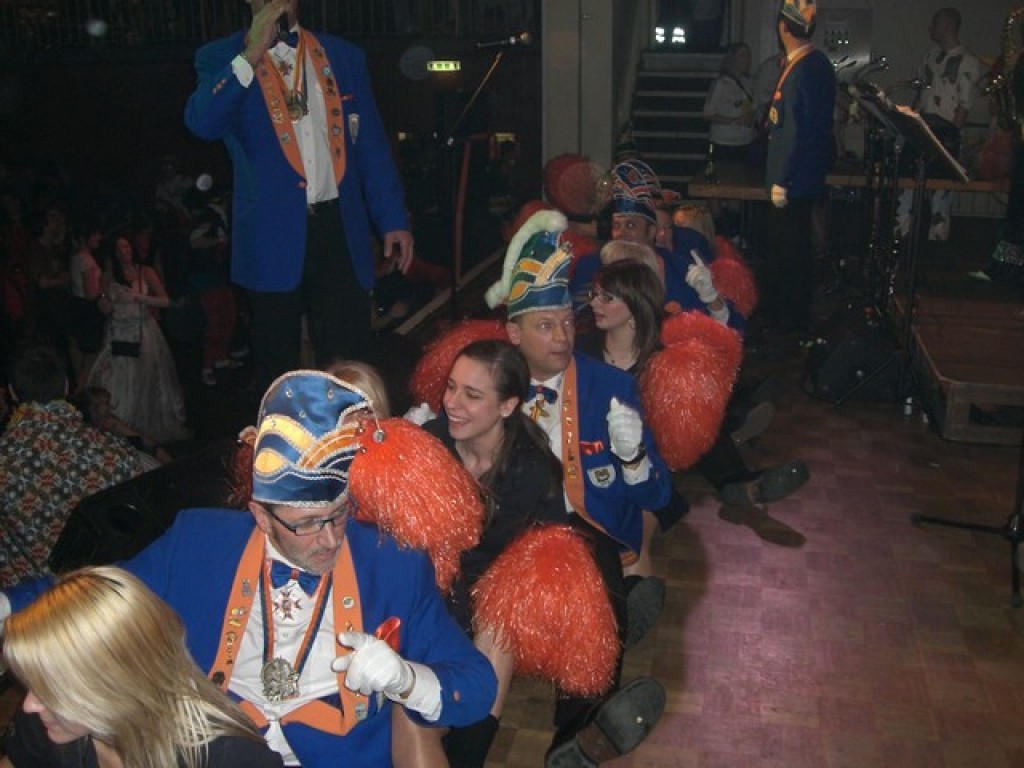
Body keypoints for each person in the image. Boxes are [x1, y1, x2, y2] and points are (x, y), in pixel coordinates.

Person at [2, 369, 498, 768]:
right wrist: (7, 605)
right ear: (260, 514)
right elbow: (100, 596)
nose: (330, 538)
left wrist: (406, 678)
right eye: (306, 524)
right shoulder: (198, 540)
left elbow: (478, 685)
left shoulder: (393, 562)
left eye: (338, 514)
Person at [486, 208, 667, 766]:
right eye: (545, 326)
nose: (564, 336)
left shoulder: (610, 387)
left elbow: (659, 497)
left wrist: (633, 457)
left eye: (567, 321)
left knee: (598, 611)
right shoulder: (484, 385)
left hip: (587, 529)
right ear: (513, 333)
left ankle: (575, 739)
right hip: (506, 534)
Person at [184, 0, 414, 394]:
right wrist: (250, 55)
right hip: (270, 235)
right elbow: (202, 123)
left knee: (348, 362)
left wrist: (393, 217)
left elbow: (371, 145)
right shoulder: (219, 57)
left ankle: (352, 432)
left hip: (338, 228)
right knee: (276, 365)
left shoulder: (344, 56)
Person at [421, 339, 570, 765]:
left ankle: (468, 752)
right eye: (451, 387)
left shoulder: (531, 469)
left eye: (471, 395)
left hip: (493, 592)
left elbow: (546, 563)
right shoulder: (431, 443)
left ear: (507, 406)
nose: (452, 403)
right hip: (430, 582)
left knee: (499, 618)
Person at [577, 260, 810, 509]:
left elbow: (726, 342)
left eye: (607, 298)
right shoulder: (581, 344)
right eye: (594, 295)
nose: (594, 303)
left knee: (692, 407)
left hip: (656, 444)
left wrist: (712, 298)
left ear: (636, 302)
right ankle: (740, 417)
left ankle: (742, 479)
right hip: (603, 447)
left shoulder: (668, 341)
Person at [1, 566, 285, 768]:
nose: (28, 705)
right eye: (33, 685)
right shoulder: (52, 717)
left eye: (49, 690)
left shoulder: (229, 758)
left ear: (114, 684)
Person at [0, 344, 144, 587]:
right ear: (66, 386)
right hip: (100, 593)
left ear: (12, 392)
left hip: (30, 603)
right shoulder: (114, 451)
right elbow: (136, 527)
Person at [762, 0, 836, 335]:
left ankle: (787, 321)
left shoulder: (801, 70)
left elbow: (792, 129)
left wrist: (781, 179)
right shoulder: (818, 62)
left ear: (782, 28)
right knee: (797, 251)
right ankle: (793, 317)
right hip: (807, 174)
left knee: (787, 254)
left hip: (793, 179)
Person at [87, 233, 191, 444]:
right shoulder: (109, 275)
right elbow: (104, 302)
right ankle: (118, 425)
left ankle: (144, 429)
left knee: (148, 378)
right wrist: (104, 305)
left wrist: (139, 298)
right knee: (116, 378)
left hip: (143, 331)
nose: (124, 252)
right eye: (119, 249)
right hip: (118, 332)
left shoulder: (145, 271)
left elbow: (165, 300)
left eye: (126, 247)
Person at [896, 7, 982, 244]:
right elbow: (920, 93)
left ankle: (936, 242)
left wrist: (951, 138)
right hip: (923, 129)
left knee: (941, 192)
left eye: (935, 23)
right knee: (907, 185)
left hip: (945, 133)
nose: (930, 28)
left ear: (946, 26)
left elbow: (964, 105)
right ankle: (902, 235)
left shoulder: (967, 61)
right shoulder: (930, 57)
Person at [703, 42, 757, 163]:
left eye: (748, 56)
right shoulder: (721, 84)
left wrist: (750, 117)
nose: (746, 60)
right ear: (732, 58)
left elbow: (751, 106)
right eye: (742, 55)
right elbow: (708, 113)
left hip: (744, 140)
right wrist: (734, 120)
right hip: (724, 141)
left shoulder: (748, 83)